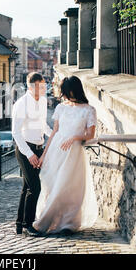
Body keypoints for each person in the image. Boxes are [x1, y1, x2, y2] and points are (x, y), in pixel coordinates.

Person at [32, 75, 98, 235]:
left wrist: (75, 137)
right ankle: (54, 221)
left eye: (68, 92)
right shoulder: (61, 108)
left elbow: (90, 135)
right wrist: (44, 155)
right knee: (53, 185)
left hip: (74, 153)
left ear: (75, 90)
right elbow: (54, 132)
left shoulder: (89, 110)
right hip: (56, 150)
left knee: (68, 188)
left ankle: (64, 223)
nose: (66, 95)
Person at [11, 72, 52, 236]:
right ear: (31, 86)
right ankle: (29, 225)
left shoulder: (42, 101)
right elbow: (15, 132)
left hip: (38, 147)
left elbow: (43, 125)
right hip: (25, 150)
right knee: (35, 187)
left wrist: (55, 134)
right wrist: (29, 154)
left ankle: (19, 225)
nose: (43, 89)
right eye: (40, 86)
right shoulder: (21, 104)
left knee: (27, 187)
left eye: (44, 85)